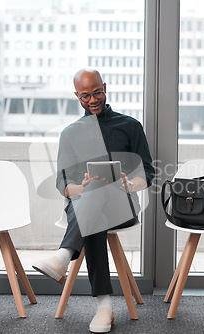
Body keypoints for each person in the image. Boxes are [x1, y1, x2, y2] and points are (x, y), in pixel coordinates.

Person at [32, 69, 154, 333]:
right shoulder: (70, 133)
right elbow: (63, 183)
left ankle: (64, 256)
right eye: (85, 95)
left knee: (101, 186)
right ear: (77, 96)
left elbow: (147, 173)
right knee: (95, 193)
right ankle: (104, 305)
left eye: (97, 92)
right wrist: (81, 188)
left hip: (122, 205)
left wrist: (129, 184)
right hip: (85, 206)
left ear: (105, 87)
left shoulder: (130, 125)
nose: (92, 99)